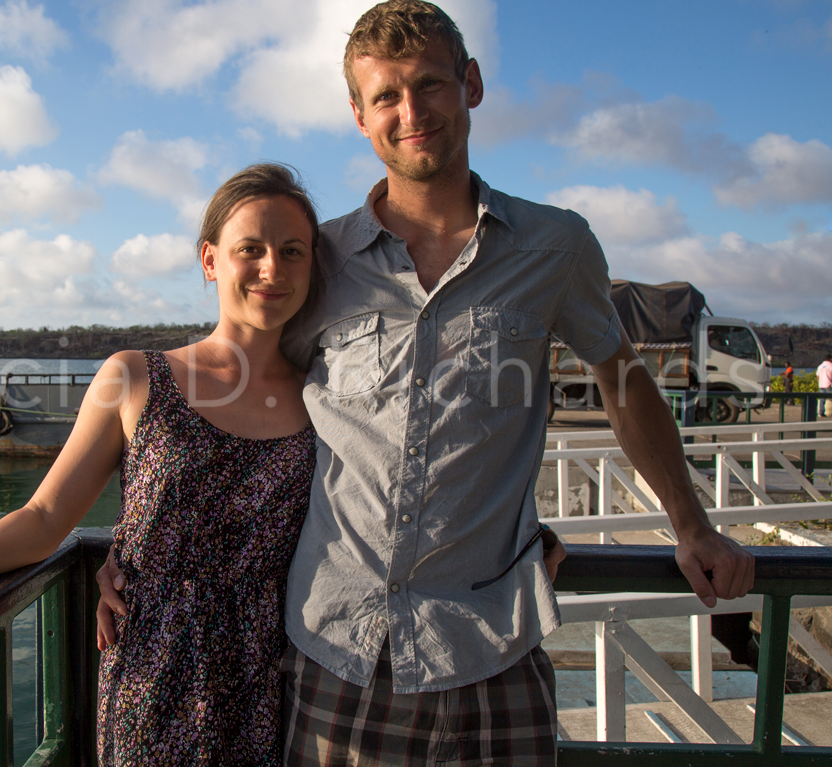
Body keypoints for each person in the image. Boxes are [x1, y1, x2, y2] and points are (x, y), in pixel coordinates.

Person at [99, 2, 755, 764]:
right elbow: (249, 398)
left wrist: (689, 524)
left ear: (469, 84)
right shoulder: (321, 258)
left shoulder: (556, 245)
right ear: (358, 115)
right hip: (336, 653)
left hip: (491, 649)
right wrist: (141, 541)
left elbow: (624, 381)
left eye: (429, 85)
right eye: (385, 96)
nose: (410, 112)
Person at [0, 163, 323, 766]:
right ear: (210, 260)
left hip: (274, 679)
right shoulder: (136, 376)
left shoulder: (325, 396)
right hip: (152, 675)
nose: (272, 269)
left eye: (292, 251)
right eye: (249, 249)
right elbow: (46, 515)